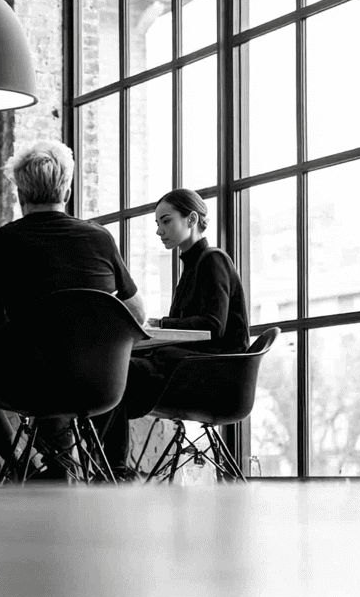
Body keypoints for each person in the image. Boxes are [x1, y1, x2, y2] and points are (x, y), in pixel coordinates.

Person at [0, 139, 146, 475]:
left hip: (29, 383)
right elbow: (135, 314)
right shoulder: (100, 239)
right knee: (60, 377)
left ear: (19, 194)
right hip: (100, 384)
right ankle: (68, 469)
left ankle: (27, 467)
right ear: (66, 191)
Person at [97, 188, 251, 474]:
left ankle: (112, 469)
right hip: (192, 365)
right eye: (157, 223)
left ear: (192, 219)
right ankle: (112, 469)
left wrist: (162, 324)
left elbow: (212, 327)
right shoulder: (194, 266)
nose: (159, 231)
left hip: (214, 375)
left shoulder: (212, 261)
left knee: (115, 375)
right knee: (113, 374)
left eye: (166, 221)